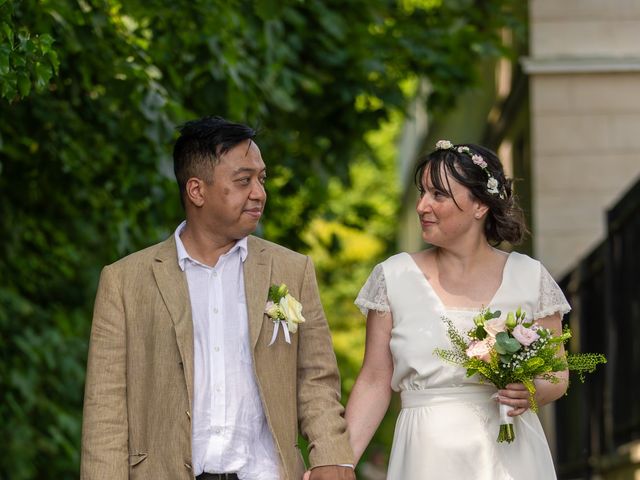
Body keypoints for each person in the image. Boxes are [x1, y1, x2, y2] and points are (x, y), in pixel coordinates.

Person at [81, 116, 355, 480]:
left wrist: (332, 457)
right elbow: (106, 411)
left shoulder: (292, 270)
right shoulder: (125, 282)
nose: (259, 192)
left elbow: (316, 380)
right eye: (243, 181)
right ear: (197, 191)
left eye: (261, 179)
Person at [345, 141, 571, 479]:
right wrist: (338, 462)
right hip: (425, 457)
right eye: (422, 192)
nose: (422, 206)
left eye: (438, 195)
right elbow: (375, 380)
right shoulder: (393, 277)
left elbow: (558, 375)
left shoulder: (530, 277)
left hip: (511, 459)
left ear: (479, 204)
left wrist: (530, 390)